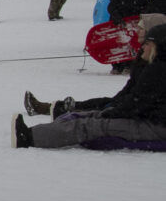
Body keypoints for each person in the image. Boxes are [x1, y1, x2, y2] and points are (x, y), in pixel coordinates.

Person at [13, 24, 166, 149]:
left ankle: (28, 138)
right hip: (152, 121)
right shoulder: (155, 67)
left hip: (156, 127)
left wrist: (113, 112)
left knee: (91, 126)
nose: (143, 48)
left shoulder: (157, 70)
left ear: (157, 48)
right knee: (95, 115)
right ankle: (46, 130)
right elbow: (136, 98)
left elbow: (137, 103)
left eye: (147, 44)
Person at [24, 13, 166, 119]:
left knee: (101, 110)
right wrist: (116, 101)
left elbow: (140, 98)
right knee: (101, 102)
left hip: (140, 113)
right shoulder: (144, 57)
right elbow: (131, 88)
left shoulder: (155, 64)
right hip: (130, 103)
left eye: (141, 28)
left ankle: (59, 111)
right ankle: (53, 107)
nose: (137, 31)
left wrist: (117, 106)